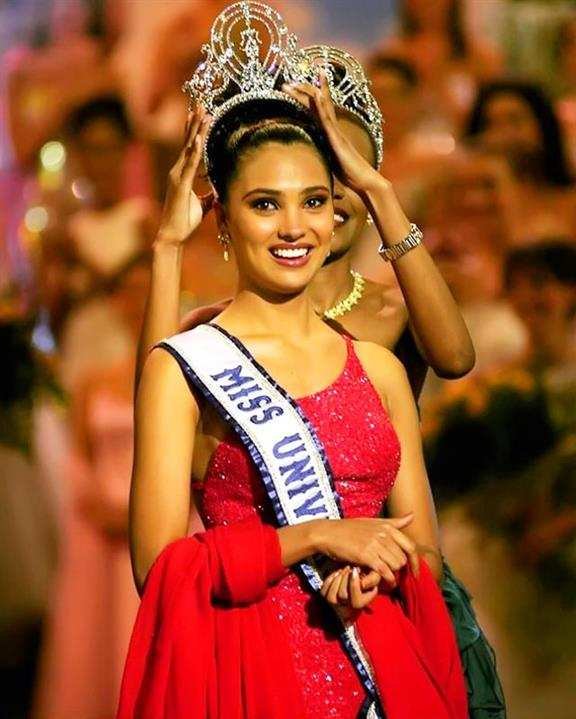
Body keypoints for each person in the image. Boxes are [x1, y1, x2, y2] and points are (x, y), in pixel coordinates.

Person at [118, 5, 468, 718]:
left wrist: (382, 572)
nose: (294, 227)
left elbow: (424, 554)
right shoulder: (185, 364)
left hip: (383, 668)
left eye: (313, 201)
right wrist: (314, 536)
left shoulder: (380, 368)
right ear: (223, 219)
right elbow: (158, 567)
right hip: (250, 671)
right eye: (264, 204)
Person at [137, 46, 474, 401]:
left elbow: (455, 359)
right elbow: (154, 412)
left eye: (350, 171)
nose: (335, 191)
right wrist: (168, 246)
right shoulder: (211, 330)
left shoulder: (397, 313)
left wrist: (379, 192)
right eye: (314, 179)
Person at [33, 263, 148, 719]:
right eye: (130, 292)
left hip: (158, 526)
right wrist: (97, 507)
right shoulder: (94, 382)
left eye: (147, 290)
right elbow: (76, 461)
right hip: (102, 533)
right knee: (96, 646)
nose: (138, 302)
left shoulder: (179, 379)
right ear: (116, 302)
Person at [465, 81, 576, 245]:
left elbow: (523, 249)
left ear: (543, 127)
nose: (502, 134)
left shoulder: (569, 199)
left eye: (514, 121)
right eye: (490, 125)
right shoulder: (474, 205)